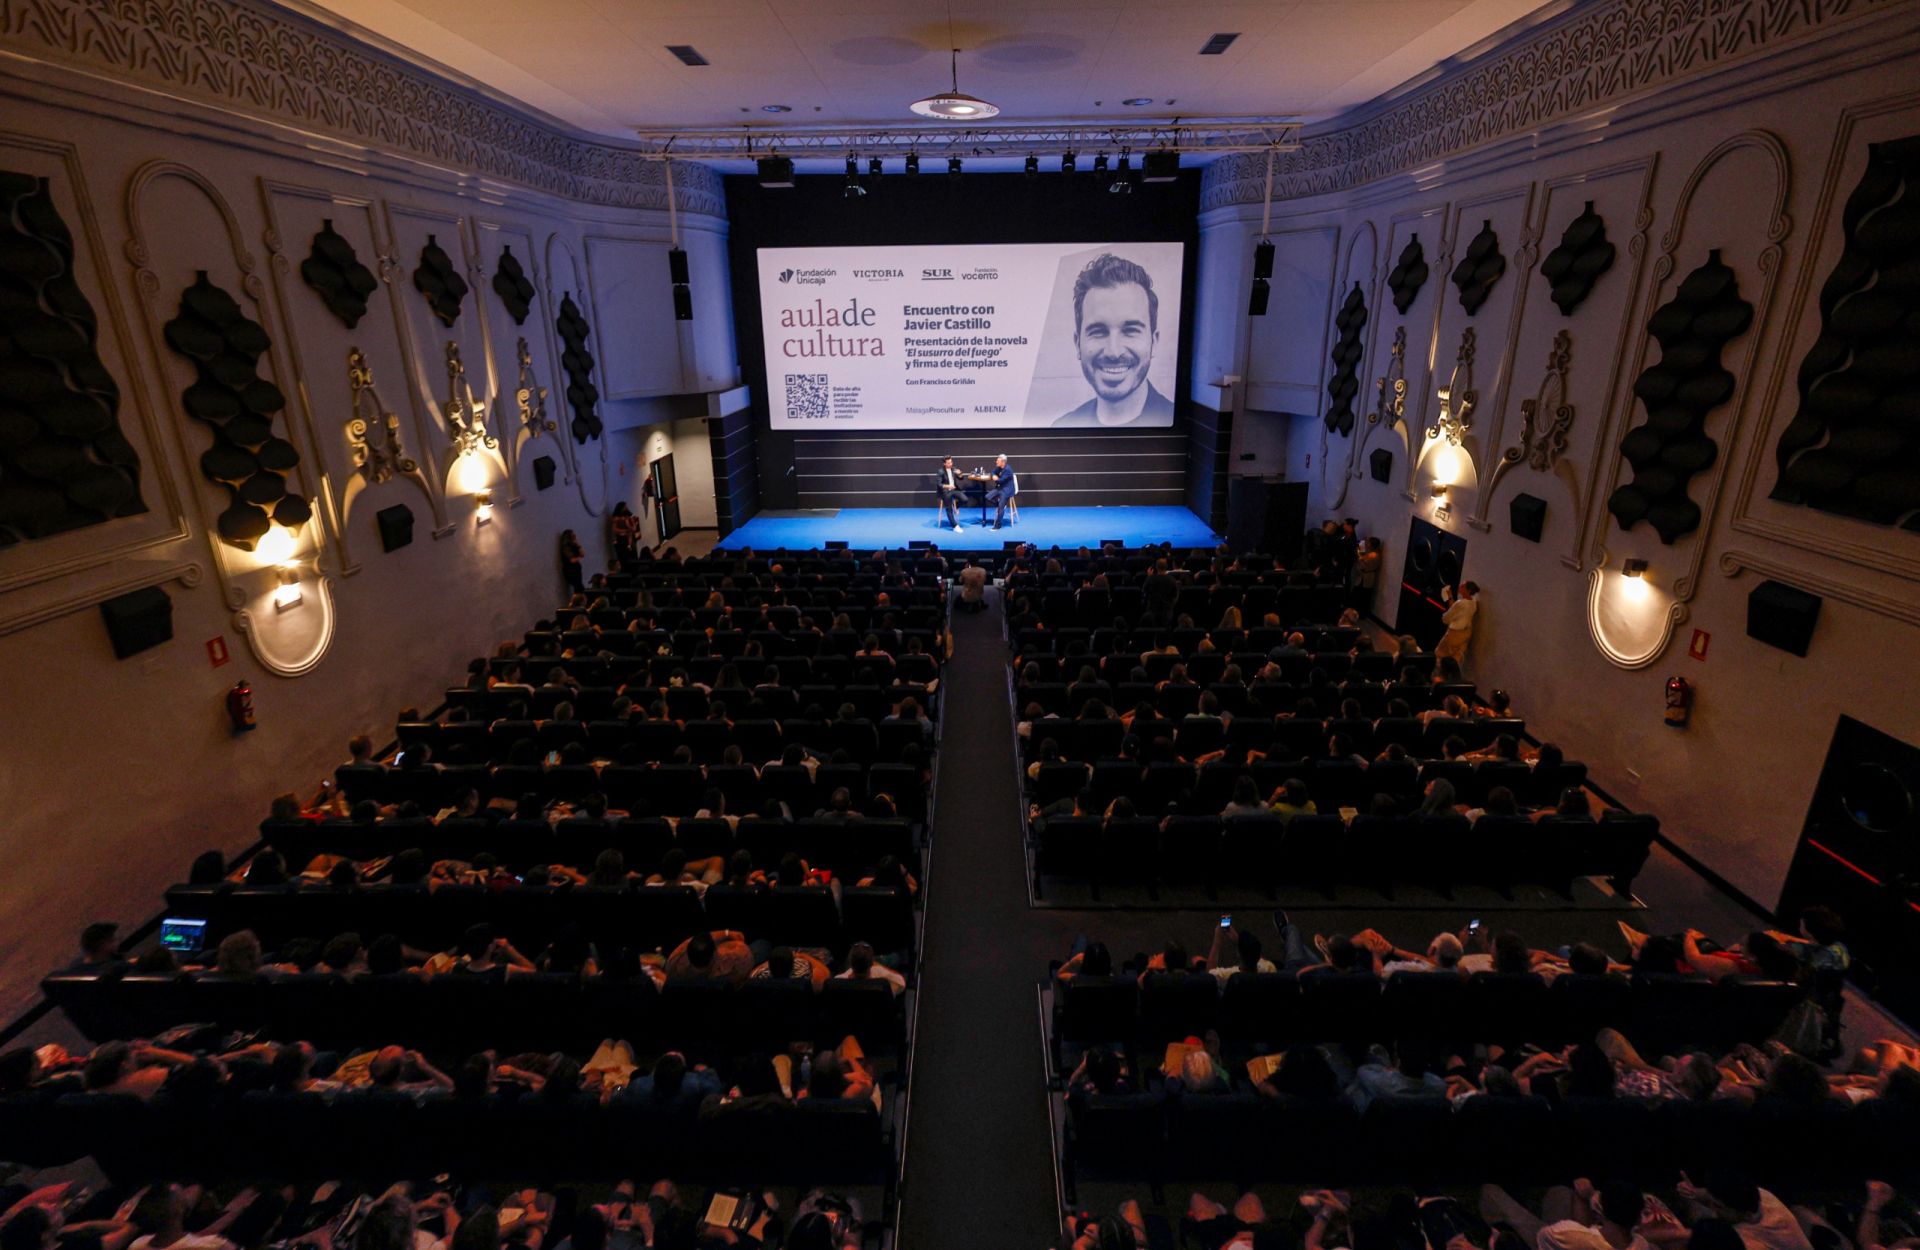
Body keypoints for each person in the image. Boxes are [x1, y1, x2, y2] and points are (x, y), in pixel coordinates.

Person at [1052, 253, 1175, 428]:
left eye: (1130, 330)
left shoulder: (1179, 422)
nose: (1114, 352)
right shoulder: (1061, 427)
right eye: (1098, 331)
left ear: (1154, 342)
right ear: (1077, 344)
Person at [1436, 580, 1479, 664]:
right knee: (1456, 658)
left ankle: (1439, 674)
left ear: (1468, 590)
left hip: (1455, 634)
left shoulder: (1461, 603)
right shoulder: (1473, 602)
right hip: (1466, 633)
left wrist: (1445, 618)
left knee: (1440, 655)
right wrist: (1450, 596)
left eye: (1462, 586)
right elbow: (1455, 608)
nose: (1460, 587)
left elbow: (1447, 617)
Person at [986, 454, 1016, 529]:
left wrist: (996, 478)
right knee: (987, 497)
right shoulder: (999, 467)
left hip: (1007, 490)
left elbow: (1000, 481)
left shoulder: (1008, 470)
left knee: (1000, 508)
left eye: (998, 461)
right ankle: (1000, 505)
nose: (996, 462)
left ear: (1003, 462)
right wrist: (993, 475)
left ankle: (997, 526)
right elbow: (993, 472)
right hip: (1000, 488)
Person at [936, 456, 963, 530]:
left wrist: (960, 474)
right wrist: (948, 486)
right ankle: (955, 526)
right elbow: (939, 484)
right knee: (949, 508)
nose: (951, 464)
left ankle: (956, 507)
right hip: (945, 492)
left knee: (965, 499)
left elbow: (961, 478)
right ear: (944, 463)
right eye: (949, 463)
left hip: (954, 490)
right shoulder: (940, 471)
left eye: (951, 462)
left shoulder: (954, 469)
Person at [559, 530, 585, 596]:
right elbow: (572, 560)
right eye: (573, 535)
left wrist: (578, 545)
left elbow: (583, 554)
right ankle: (577, 601)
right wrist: (579, 558)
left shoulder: (574, 545)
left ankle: (578, 600)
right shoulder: (566, 547)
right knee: (579, 588)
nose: (574, 536)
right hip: (570, 569)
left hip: (576, 569)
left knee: (578, 587)